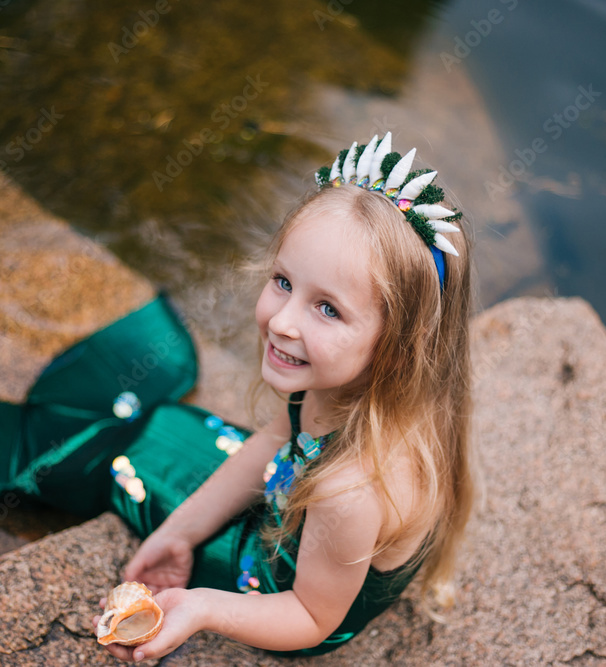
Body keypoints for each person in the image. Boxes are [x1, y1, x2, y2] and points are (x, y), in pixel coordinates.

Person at [94, 132, 475, 661]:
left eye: (328, 309)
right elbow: (277, 438)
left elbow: (312, 618)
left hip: (292, 602)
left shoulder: (352, 490)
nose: (281, 320)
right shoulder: (338, 387)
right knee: (166, 430)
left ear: (397, 347)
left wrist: (202, 607)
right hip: (304, 530)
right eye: (282, 281)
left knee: (123, 463)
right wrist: (181, 531)